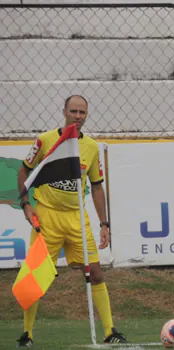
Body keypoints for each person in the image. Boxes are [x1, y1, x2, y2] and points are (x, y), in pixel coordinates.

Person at [16, 95, 128, 347]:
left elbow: (97, 187)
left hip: (78, 219)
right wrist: (25, 204)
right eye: (74, 111)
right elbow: (24, 170)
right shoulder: (45, 140)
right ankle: (27, 333)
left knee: (96, 272)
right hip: (47, 217)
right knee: (37, 277)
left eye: (82, 112)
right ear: (64, 111)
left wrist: (104, 224)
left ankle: (110, 331)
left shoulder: (90, 146)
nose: (78, 116)